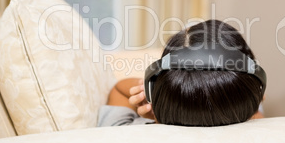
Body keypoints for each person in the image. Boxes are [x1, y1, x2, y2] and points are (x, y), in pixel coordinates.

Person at [98, 19, 265, 127]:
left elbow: (118, 89)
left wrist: (153, 102)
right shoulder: (263, 136)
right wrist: (253, 106)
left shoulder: (125, 134)